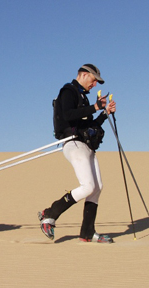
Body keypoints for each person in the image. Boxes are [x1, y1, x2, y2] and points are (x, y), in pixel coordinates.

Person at [38, 64, 116, 243]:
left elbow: (89, 125)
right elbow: (67, 115)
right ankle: (49, 214)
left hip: (86, 145)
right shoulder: (68, 90)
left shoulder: (84, 98)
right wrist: (95, 107)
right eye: (94, 79)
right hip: (73, 143)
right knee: (87, 186)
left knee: (97, 188)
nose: (95, 84)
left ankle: (87, 232)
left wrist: (105, 113)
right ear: (83, 75)